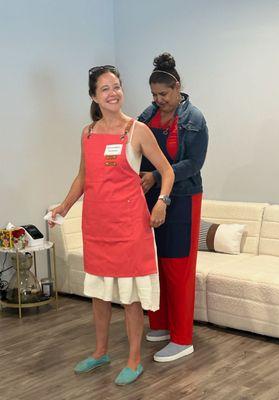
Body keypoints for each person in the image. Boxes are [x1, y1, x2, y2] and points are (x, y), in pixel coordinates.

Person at [49, 65, 174, 385]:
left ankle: (133, 360)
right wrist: (63, 207)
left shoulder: (137, 130)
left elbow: (167, 171)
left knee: (130, 297)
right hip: (98, 226)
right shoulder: (88, 133)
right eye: (105, 89)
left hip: (130, 228)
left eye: (116, 86)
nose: (113, 93)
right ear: (94, 96)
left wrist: (162, 201)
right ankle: (100, 351)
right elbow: (84, 177)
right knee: (100, 294)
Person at [138, 53, 208, 362]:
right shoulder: (146, 116)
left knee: (178, 267)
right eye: (154, 94)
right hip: (151, 196)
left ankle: (182, 338)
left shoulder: (195, 120)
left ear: (177, 88)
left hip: (183, 199)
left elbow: (193, 163)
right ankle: (162, 323)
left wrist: (156, 176)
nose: (158, 100)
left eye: (163, 94)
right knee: (157, 262)